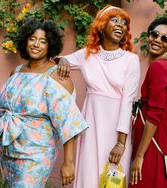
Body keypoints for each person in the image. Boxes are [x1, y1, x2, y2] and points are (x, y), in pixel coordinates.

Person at [0, 18, 88, 188]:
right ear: (25, 40)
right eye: (32, 39)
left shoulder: (57, 77)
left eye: (43, 41)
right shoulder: (17, 71)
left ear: (50, 46)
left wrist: (68, 163)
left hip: (37, 153)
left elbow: (68, 122)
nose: (36, 44)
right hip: (10, 150)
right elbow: (3, 109)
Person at [57, 5, 141, 187]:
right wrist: (63, 60)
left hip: (118, 132)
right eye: (115, 20)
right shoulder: (87, 55)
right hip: (91, 125)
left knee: (112, 181)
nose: (121, 25)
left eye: (124, 22)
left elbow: (128, 103)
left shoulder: (131, 60)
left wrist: (121, 143)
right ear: (102, 25)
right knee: (88, 176)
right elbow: (58, 61)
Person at [129, 16, 167, 188]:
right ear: (149, 36)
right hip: (157, 139)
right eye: (155, 34)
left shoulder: (159, 68)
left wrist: (140, 156)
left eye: (165, 38)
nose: (158, 40)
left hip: (151, 143)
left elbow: (155, 114)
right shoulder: (165, 67)